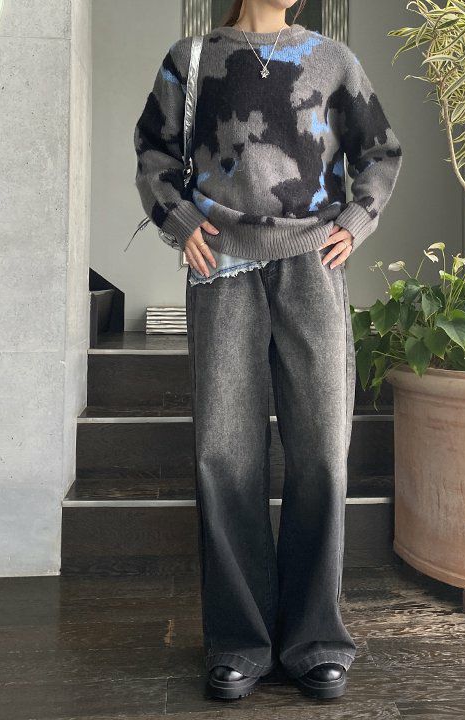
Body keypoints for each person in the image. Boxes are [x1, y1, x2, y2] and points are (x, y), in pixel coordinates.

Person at [134, 0, 402, 701]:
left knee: (321, 451)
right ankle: (239, 641)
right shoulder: (192, 59)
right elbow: (154, 154)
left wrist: (357, 218)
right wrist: (179, 220)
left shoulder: (332, 60)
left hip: (312, 265)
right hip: (222, 266)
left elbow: (379, 150)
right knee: (225, 453)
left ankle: (316, 640)